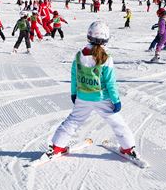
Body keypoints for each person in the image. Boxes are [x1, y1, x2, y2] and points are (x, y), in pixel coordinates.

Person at [45, 21, 138, 159]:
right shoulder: (106, 58)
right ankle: (128, 148)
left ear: (89, 36)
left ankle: (57, 146)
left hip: (83, 96)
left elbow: (74, 75)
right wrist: (116, 100)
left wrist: (74, 93)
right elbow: (110, 82)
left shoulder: (79, 55)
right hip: (102, 99)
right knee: (117, 123)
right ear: (106, 39)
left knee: (73, 121)